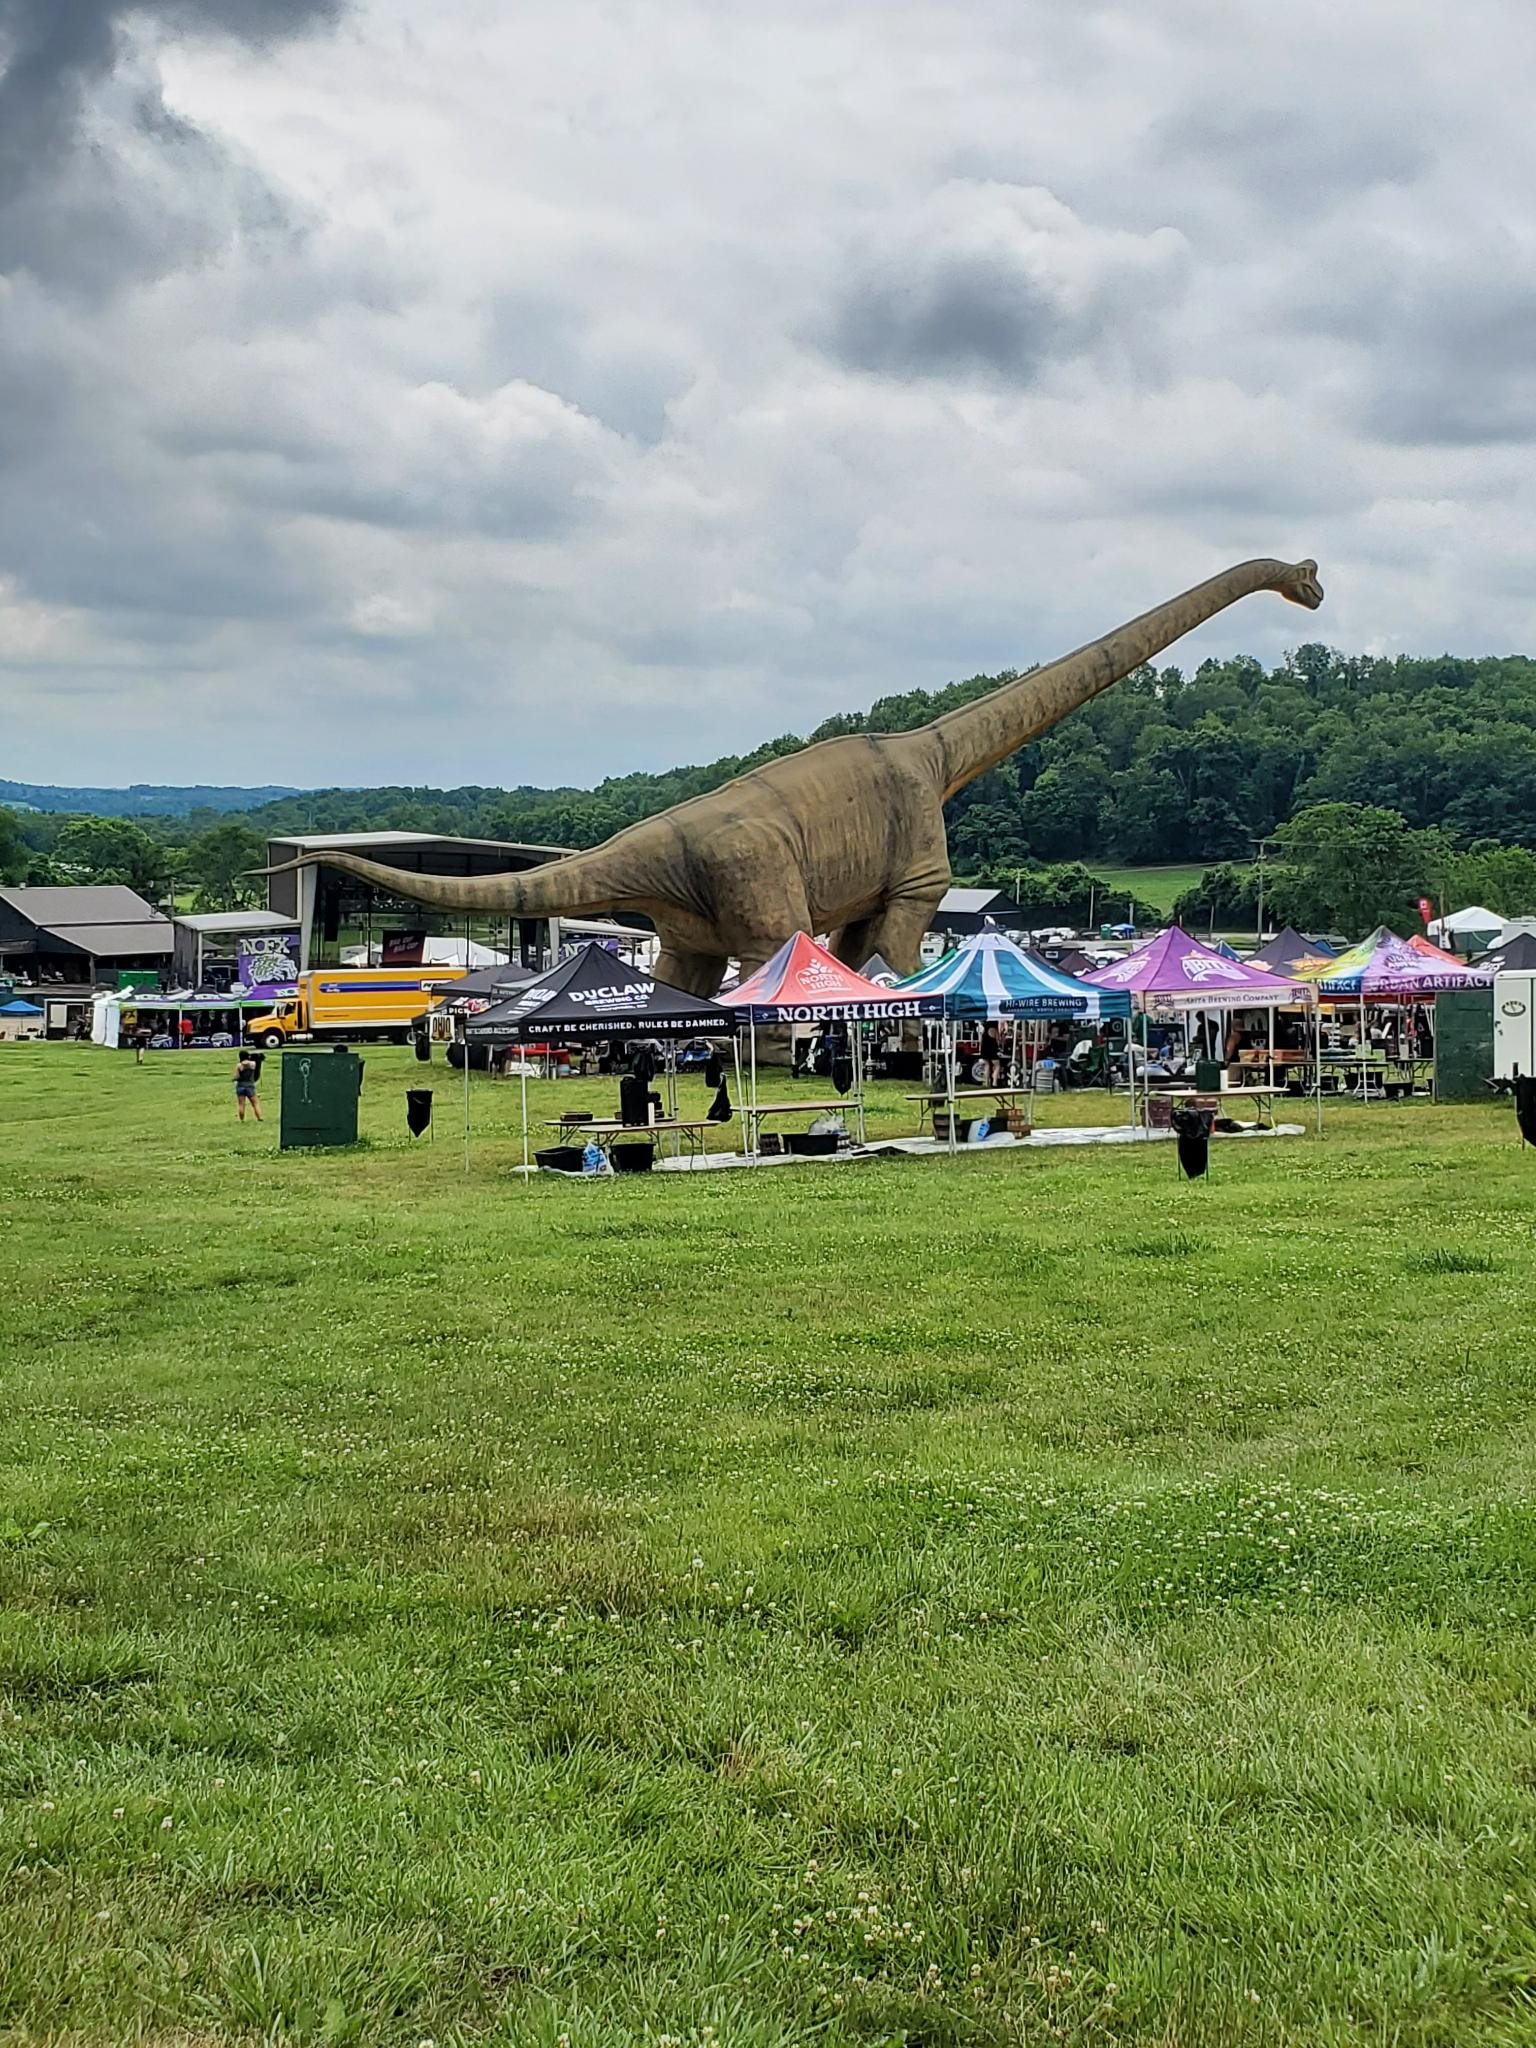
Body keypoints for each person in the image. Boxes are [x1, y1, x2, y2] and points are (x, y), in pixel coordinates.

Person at [234, 1049, 262, 1122]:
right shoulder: (253, 1064)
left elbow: (237, 1076)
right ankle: (259, 1117)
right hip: (250, 1085)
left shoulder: (239, 1065)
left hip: (240, 1086)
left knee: (241, 1104)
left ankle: (242, 1120)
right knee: (255, 1103)